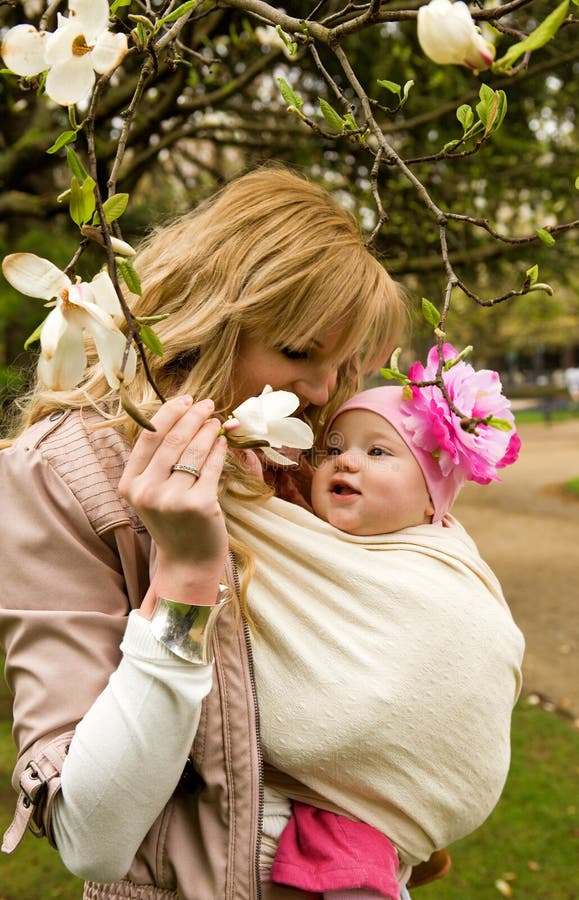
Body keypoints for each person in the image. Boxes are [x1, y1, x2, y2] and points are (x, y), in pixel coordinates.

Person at [0, 165, 416, 900]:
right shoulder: (62, 474)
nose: (323, 392)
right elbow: (89, 837)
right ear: (208, 319)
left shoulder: (294, 456)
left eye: (340, 361)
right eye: (297, 352)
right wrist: (186, 581)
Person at [221, 359, 524, 900]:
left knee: (342, 865)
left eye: (377, 451)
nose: (347, 462)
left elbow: (479, 650)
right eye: (333, 449)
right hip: (332, 816)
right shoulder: (299, 541)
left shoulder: (444, 561)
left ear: (432, 497)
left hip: (377, 815)